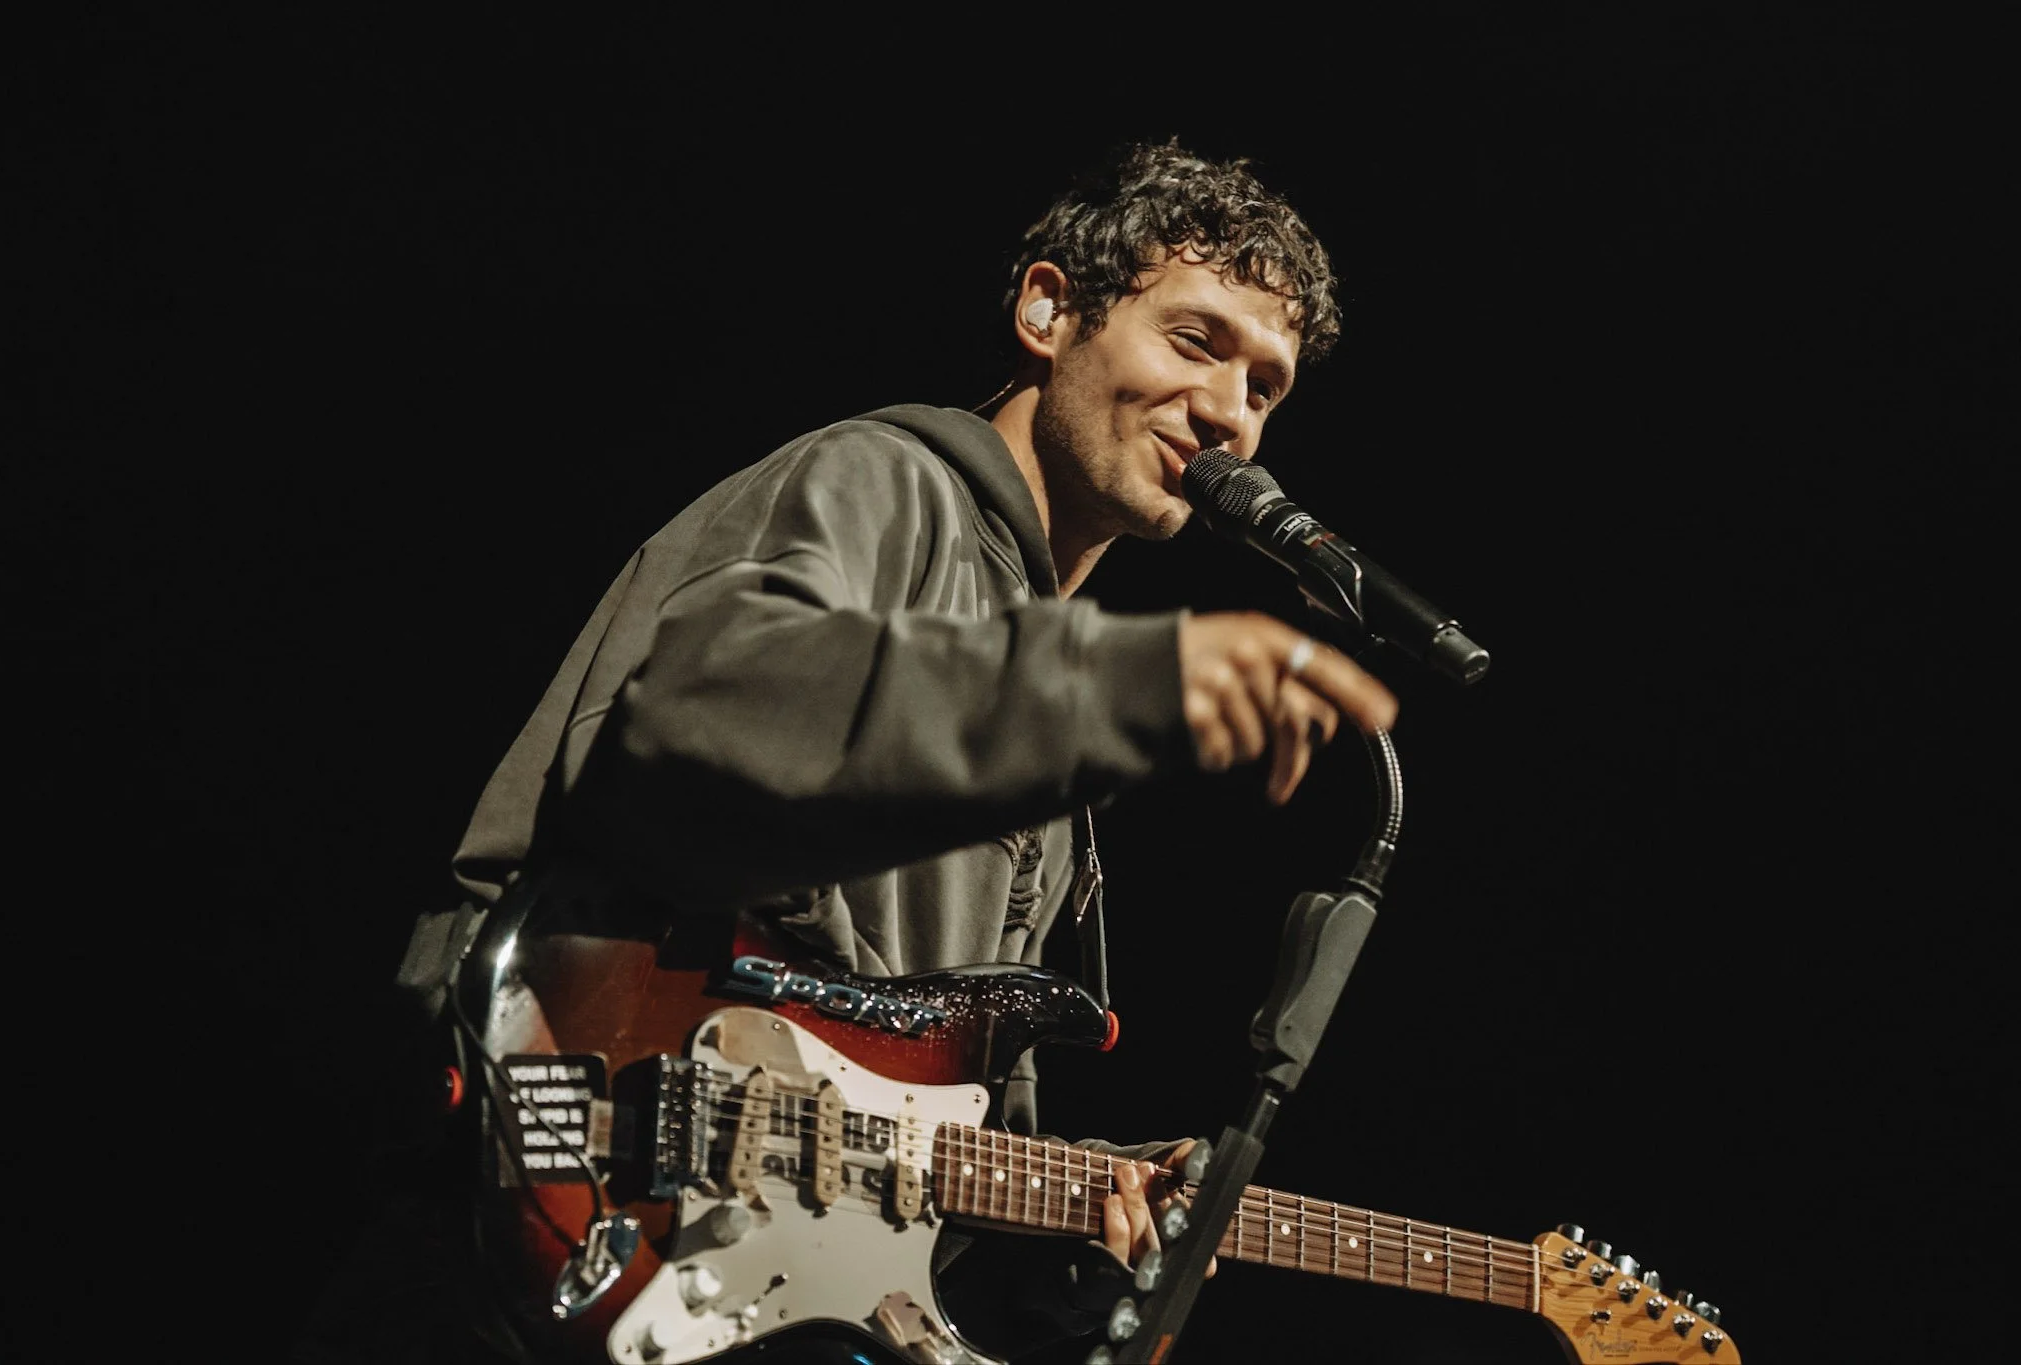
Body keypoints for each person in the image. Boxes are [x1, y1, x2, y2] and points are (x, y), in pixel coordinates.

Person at [298, 139, 1397, 1365]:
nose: (1230, 415)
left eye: (1266, 385)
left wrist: (1091, 1230)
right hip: (540, 1228)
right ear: (1047, 311)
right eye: (1195, 343)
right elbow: (699, 727)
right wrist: (1122, 683)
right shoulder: (885, 485)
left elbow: (930, 1170)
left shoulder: (1047, 727)